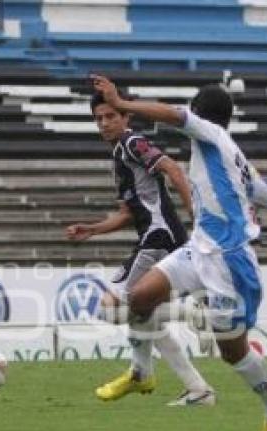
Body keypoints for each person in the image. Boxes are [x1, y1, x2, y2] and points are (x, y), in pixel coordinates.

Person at [91, 75, 267, 431]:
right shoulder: (234, 156)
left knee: (232, 352)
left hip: (230, 263)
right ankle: (141, 373)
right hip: (198, 249)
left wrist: (121, 104)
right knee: (139, 297)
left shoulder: (211, 133)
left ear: (201, 114)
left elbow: (172, 114)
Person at [66, 93, 216, 406]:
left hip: (158, 238)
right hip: (152, 237)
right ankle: (195, 389)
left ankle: (189, 315)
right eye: (99, 118)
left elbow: (174, 169)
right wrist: (91, 230)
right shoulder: (119, 155)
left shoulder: (134, 144)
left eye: (111, 116)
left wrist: (197, 218)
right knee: (142, 313)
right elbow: (128, 213)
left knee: (113, 307)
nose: (105, 123)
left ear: (126, 117)